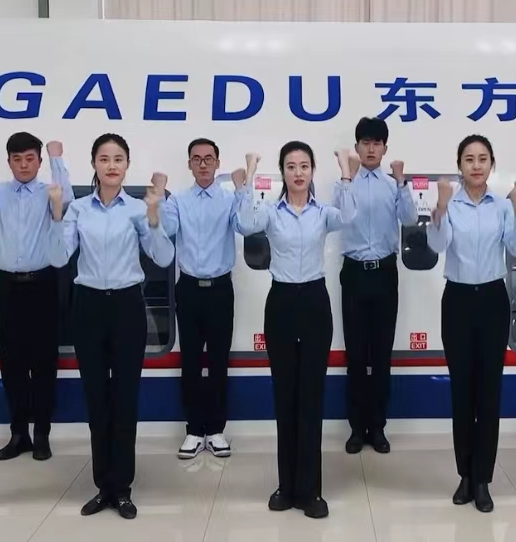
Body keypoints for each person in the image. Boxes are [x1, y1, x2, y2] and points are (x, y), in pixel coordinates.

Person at [49, 133, 174, 520]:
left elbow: (163, 256)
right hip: (88, 307)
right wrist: (56, 215)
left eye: (118, 158)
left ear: (127, 164)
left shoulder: (137, 209)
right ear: (94, 164)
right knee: (96, 398)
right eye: (104, 159)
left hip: (126, 307)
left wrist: (153, 219)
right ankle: (103, 485)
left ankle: (122, 488)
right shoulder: (77, 209)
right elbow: (58, 257)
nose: (112, 165)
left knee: (124, 398)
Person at [238, 141, 357, 519]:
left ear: (312, 171)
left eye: (304, 166)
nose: (298, 172)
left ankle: (311, 491)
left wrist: (345, 171)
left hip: (315, 304)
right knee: (285, 396)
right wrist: (249, 175)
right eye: (291, 166)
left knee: (311, 398)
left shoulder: (324, 213)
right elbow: (244, 223)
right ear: (283, 173)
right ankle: (286, 486)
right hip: (282, 304)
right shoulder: (271, 213)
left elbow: (350, 216)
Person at [428, 135, 516, 513]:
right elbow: (438, 246)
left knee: (488, 393)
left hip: (491, 300)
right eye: (469, 159)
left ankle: (483, 478)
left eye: (482, 158)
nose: (476, 165)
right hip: (457, 300)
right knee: (462, 392)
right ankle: (465, 475)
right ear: (459, 165)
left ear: (491, 164)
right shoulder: (450, 204)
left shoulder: (502, 206)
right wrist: (440, 209)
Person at [0, 133, 73, 462]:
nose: (24, 165)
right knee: (12, 363)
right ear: (9, 162)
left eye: (30, 158)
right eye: (17, 159)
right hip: (7, 287)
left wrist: (57, 157)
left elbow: (67, 195)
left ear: (39, 161)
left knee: (44, 363)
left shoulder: (49, 191)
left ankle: (42, 434)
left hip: (43, 285)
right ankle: (18, 433)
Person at [161, 138, 250, 459]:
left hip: (220, 290)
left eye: (208, 158)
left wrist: (243, 189)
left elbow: (246, 226)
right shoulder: (178, 200)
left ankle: (216, 429)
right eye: (196, 159)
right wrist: (155, 200)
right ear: (189, 164)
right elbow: (166, 229)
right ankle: (193, 430)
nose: (202, 164)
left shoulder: (229, 199)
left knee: (217, 361)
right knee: (190, 361)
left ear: (217, 163)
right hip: (188, 289)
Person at [338, 117, 415, 455]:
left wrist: (402, 182)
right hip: (354, 273)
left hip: (384, 273)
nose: (371, 149)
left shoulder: (391, 184)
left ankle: (378, 427)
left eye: (376, 143)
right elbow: (342, 215)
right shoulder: (345, 183)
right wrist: (347, 176)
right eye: (365, 143)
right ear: (357, 147)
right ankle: (357, 428)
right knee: (355, 355)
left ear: (385, 148)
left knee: (382, 354)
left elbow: (409, 218)